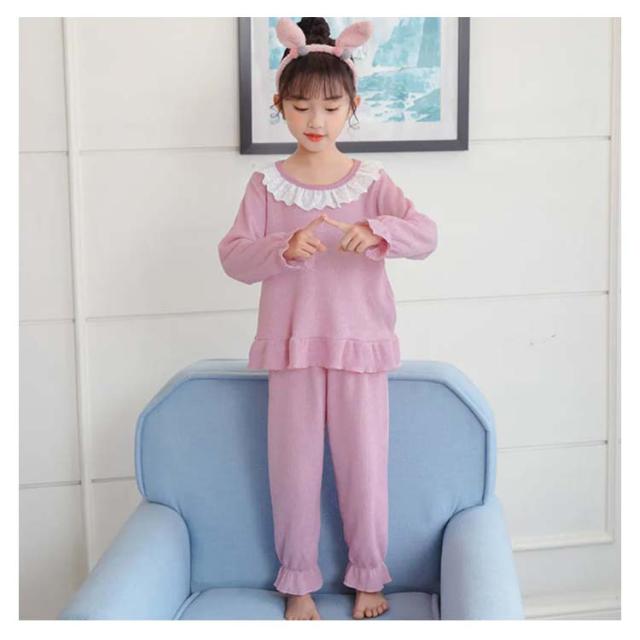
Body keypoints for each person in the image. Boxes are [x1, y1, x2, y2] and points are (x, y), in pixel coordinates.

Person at [218, 17, 438, 621]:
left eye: (331, 106)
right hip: (291, 348)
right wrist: (283, 249)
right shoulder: (266, 186)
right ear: (280, 107)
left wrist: (377, 231)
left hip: (360, 346)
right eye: (300, 106)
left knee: (364, 468)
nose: (315, 119)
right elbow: (233, 256)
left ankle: (369, 576)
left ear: (352, 108)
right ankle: (297, 582)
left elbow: (426, 234)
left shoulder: (372, 182)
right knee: (292, 470)